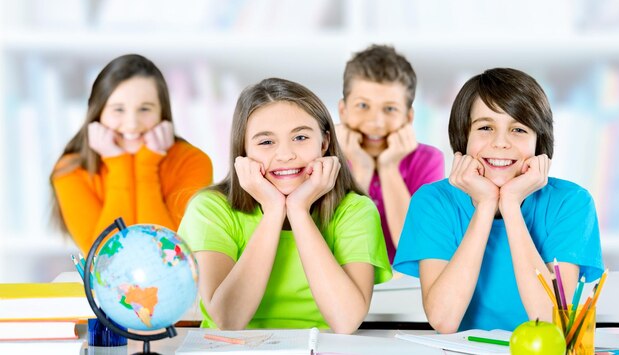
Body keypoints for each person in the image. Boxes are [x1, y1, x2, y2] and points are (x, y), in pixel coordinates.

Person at [393, 68, 604, 332]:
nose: (501, 142)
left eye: (518, 129)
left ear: (539, 142)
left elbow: (553, 323)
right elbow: (443, 320)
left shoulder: (572, 203)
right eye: (485, 127)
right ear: (463, 135)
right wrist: (485, 206)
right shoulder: (433, 201)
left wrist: (511, 206)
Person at [178, 78, 392, 334]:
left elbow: (346, 321)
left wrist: (299, 212)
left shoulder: (355, 211)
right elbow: (228, 320)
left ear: (324, 143)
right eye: (266, 142)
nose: (285, 155)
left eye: (300, 137)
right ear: (244, 151)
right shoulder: (210, 209)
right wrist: (274, 212)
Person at [50, 54, 213, 254]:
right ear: (98, 111)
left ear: (162, 113)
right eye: (118, 109)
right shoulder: (70, 171)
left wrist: (146, 166)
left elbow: (165, 255)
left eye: (145, 109)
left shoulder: (193, 162)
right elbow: (106, 256)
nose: (132, 123)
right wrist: (119, 165)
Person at [336, 44, 444, 263]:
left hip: (404, 287)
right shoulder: (325, 160)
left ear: (408, 117)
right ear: (343, 111)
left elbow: (414, 246)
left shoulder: (428, 160)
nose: (376, 122)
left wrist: (389, 168)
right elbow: (334, 245)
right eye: (363, 105)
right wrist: (361, 168)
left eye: (390, 109)